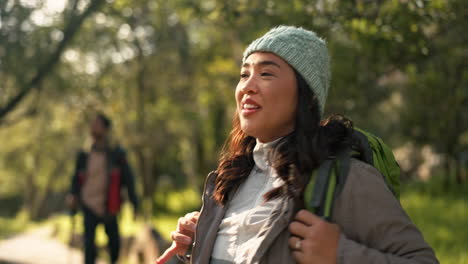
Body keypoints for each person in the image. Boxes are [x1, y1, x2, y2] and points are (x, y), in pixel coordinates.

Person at [156, 26, 439, 264]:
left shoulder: (346, 179)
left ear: (308, 97)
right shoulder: (230, 182)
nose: (247, 87)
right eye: (244, 75)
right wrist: (196, 246)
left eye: (266, 74)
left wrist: (340, 254)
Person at [67, 113, 139, 264]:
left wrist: (134, 204)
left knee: (114, 244)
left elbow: (128, 180)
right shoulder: (84, 155)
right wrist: (73, 194)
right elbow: (76, 178)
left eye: (97, 124)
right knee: (89, 245)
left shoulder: (117, 154)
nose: (93, 127)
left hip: (110, 206)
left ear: (106, 129)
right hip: (88, 204)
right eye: (92, 124)